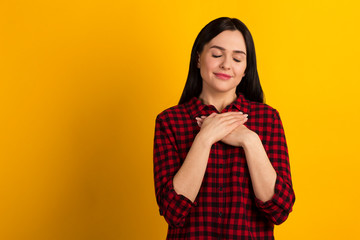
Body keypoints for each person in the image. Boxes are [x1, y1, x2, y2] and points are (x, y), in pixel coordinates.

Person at [153, 17, 295, 240]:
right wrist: (204, 138)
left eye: (237, 58)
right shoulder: (170, 121)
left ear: (246, 68)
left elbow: (279, 209)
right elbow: (173, 211)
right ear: (198, 58)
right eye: (217, 54)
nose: (226, 64)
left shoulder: (268, 119)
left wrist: (250, 141)